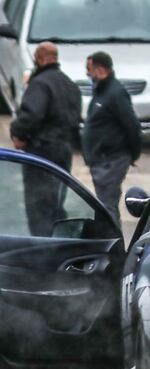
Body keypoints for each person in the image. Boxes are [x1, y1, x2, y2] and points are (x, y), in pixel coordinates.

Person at [9, 41, 82, 237]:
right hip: (64, 152)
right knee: (57, 203)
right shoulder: (70, 84)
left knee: (39, 207)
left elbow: (30, 116)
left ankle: (41, 247)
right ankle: (59, 244)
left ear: (40, 59)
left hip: (42, 153)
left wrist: (17, 132)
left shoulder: (40, 84)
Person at [82, 51, 142, 224]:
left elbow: (132, 125)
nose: (87, 73)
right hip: (101, 160)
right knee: (104, 204)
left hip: (111, 160)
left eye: (89, 68)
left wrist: (134, 153)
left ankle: (113, 246)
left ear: (100, 69)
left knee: (107, 206)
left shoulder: (115, 93)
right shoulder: (101, 91)